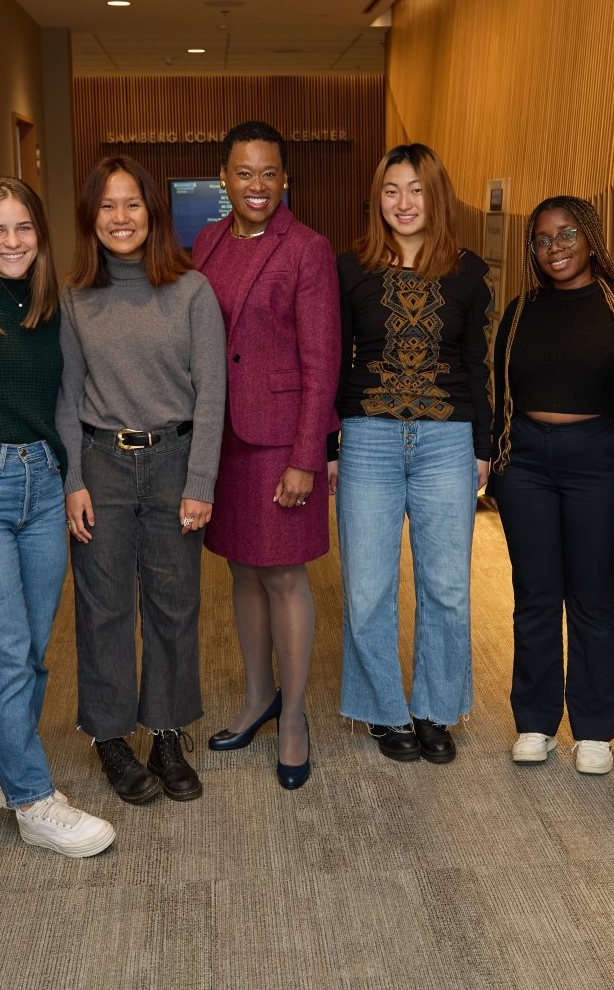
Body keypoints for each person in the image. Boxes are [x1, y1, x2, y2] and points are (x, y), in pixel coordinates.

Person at [0, 176, 116, 857]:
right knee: (4, 651)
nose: (11, 242)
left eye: (23, 228)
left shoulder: (55, 307)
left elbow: (68, 404)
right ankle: (31, 797)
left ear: (41, 236)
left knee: (33, 650)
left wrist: (72, 481)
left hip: (44, 487)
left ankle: (2, 767)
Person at [58, 155, 226, 804]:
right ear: (90, 217)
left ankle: (165, 731)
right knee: (103, 609)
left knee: (174, 604)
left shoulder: (192, 292)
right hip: (100, 463)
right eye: (106, 206)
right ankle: (109, 737)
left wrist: (202, 481)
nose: (120, 218)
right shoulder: (75, 297)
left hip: (173, 463)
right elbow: (67, 395)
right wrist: (73, 478)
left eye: (132, 204)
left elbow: (212, 394)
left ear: (152, 213)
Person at [194, 121, 339, 790]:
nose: (257, 186)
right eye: (244, 173)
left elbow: (322, 358)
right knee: (242, 573)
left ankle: (293, 720)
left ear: (286, 180)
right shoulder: (207, 242)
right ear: (224, 179)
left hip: (282, 440)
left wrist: (307, 456)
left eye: (269, 174)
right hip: (222, 438)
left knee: (283, 576)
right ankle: (258, 698)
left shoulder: (307, 249)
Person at [333, 143, 489, 764]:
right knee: (368, 586)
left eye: (416, 189)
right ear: (378, 198)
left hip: (447, 439)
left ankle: (433, 707)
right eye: (392, 189)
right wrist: (329, 445)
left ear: (437, 196)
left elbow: (476, 365)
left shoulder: (470, 271)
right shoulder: (350, 268)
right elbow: (335, 358)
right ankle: (382, 710)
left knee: (447, 587)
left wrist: (483, 446)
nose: (403, 202)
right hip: (367, 437)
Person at [488, 196, 614, 775]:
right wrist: (497, 464)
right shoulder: (521, 309)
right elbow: (500, 390)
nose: (554, 247)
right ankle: (534, 722)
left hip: (597, 462)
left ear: (591, 238)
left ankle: (594, 729)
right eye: (541, 239)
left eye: (566, 234)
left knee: (592, 598)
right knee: (534, 595)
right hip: (525, 463)